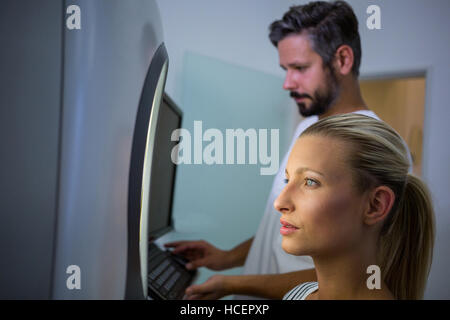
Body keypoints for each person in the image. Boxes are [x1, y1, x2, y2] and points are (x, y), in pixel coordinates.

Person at [165, 1, 400, 299]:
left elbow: (358, 273)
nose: (288, 83)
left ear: (342, 60)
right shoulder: (310, 128)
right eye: (285, 69)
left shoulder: (376, 147)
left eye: (300, 68)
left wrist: (232, 284)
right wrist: (225, 257)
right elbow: (283, 228)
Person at [278, 113, 435, 300]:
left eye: (310, 182)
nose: (280, 202)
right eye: (287, 180)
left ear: (375, 205)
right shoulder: (298, 295)